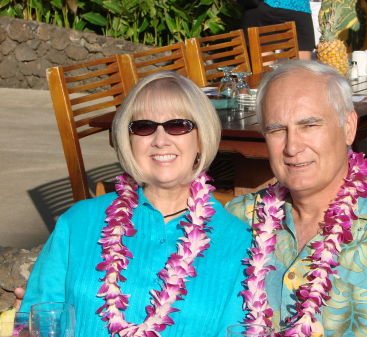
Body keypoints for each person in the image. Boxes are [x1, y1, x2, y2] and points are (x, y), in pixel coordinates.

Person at [19, 71, 252, 337]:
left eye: (178, 125)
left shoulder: (239, 243)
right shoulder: (77, 223)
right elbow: (33, 321)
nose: (160, 140)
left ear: (201, 137)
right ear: (129, 140)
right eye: (144, 126)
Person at [226, 60, 367, 335]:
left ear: (348, 127)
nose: (293, 146)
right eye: (276, 130)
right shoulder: (239, 220)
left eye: (309, 125)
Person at [240, 0, 316, 59]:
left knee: (263, 63)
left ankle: (264, 77)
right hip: (298, 8)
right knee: (302, 63)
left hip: (263, 7)